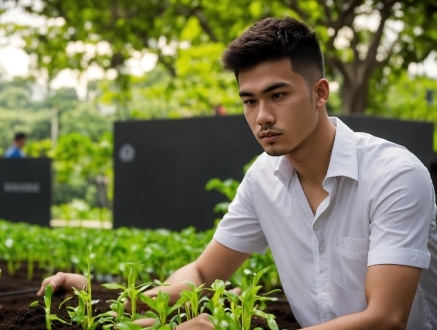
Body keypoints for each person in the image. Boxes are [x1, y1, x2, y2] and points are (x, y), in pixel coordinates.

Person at [38, 17, 437, 329]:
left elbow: (386, 319)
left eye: (278, 95)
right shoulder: (264, 178)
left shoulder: (395, 175)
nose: (262, 117)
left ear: (320, 93)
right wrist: (107, 298)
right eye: (249, 101)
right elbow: (203, 272)